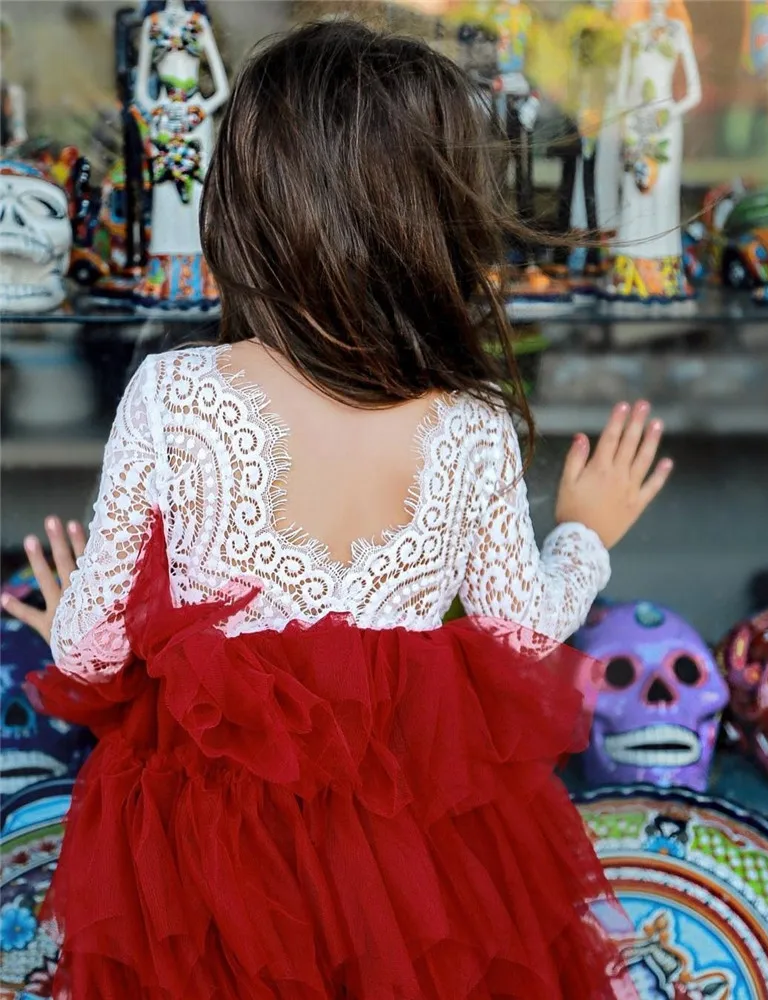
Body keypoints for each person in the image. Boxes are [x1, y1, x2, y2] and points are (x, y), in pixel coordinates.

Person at [2, 19, 672, 1000]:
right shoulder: (473, 421)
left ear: (247, 201)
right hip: (417, 863)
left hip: (211, 862)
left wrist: (72, 616)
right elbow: (520, 630)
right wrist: (586, 534)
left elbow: (91, 656)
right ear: (435, 216)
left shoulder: (174, 393)